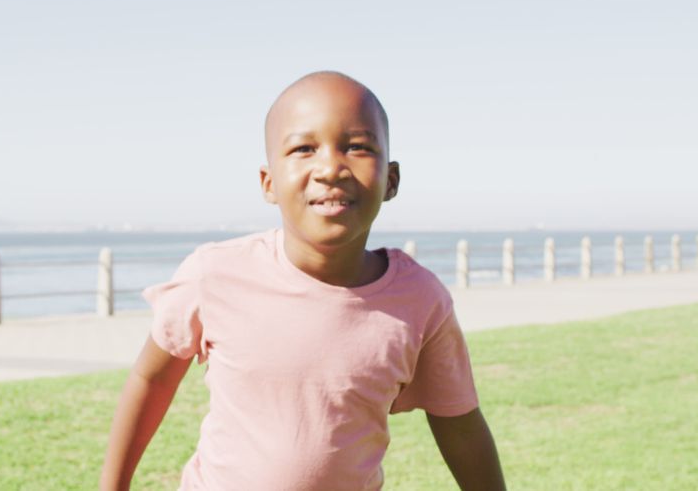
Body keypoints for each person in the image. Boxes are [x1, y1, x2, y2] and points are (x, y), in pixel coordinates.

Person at [100, 71, 505, 490]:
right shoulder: (214, 275)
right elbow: (153, 378)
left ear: (392, 180)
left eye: (358, 147)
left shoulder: (419, 300)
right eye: (303, 148)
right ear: (268, 182)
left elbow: (458, 422)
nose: (330, 167)